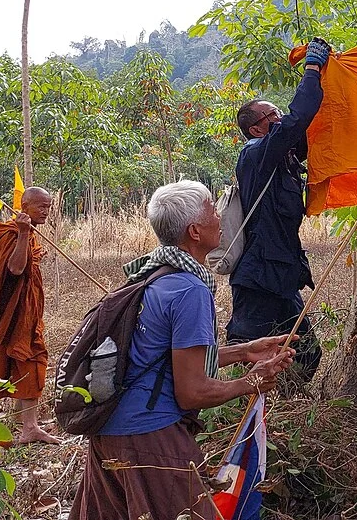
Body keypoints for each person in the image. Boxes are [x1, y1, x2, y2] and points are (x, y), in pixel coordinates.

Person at [70, 181, 296, 520]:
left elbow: (162, 356)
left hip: (110, 432)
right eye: (211, 209)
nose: (220, 217)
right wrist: (252, 381)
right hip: (149, 435)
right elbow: (191, 392)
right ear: (194, 231)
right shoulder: (189, 289)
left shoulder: (153, 274)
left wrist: (244, 351)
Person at [226, 37, 331, 384]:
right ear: (257, 128)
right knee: (244, 351)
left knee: (307, 352)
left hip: (282, 276)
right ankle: (229, 409)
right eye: (273, 115)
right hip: (258, 279)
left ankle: (283, 407)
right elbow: (296, 121)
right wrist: (311, 71)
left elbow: (306, 127)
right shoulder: (256, 154)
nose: (280, 117)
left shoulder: (281, 160)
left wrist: (328, 80)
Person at [0, 186, 57, 445]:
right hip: (4, 316)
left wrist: (28, 238)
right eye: (40, 206)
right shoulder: (11, 233)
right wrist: (24, 234)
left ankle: (30, 427)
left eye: (48, 206)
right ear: (24, 207)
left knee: (33, 361)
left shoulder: (30, 234)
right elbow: (15, 269)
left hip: (26, 315)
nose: (46, 211)